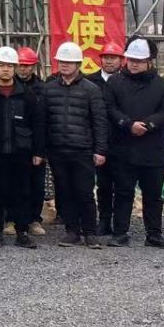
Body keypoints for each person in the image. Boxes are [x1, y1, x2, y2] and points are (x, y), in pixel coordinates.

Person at [104, 37, 164, 249]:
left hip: (152, 148)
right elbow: (109, 108)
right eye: (131, 60)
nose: (134, 64)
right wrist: (128, 124)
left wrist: (148, 124)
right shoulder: (115, 82)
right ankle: (120, 233)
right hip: (123, 147)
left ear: (149, 61)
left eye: (139, 61)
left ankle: (154, 234)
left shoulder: (162, 85)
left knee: (153, 195)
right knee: (123, 192)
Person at [0, 45, 45, 248]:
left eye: (10, 66)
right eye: (2, 65)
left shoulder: (27, 94)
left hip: (20, 152)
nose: (5, 69)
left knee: (21, 192)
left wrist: (38, 151)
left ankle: (22, 232)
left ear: (15, 68)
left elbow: (37, 124)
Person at [41, 40, 108, 248]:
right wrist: (43, 149)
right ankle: (72, 232)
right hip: (58, 149)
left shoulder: (91, 89)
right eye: (61, 61)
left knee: (85, 192)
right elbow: (44, 121)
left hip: (82, 150)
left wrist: (100, 150)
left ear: (78, 64)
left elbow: (99, 121)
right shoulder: (49, 89)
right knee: (65, 192)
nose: (64, 65)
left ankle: (90, 233)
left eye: (69, 62)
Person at [88, 39, 126, 236]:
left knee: (123, 185)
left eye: (113, 58)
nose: (109, 61)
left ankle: (121, 223)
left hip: (123, 141)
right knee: (103, 185)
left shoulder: (127, 82)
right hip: (98, 142)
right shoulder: (90, 82)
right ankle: (104, 220)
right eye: (106, 57)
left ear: (121, 60)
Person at [16, 46, 50, 235]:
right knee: (14, 184)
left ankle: (34, 219)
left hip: (35, 143)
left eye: (27, 65)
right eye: (20, 65)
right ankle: (11, 219)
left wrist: (40, 150)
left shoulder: (42, 89)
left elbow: (43, 122)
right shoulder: (9, 87)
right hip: (14, 144)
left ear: (33, 67)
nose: (23, 69)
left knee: (36, 184)